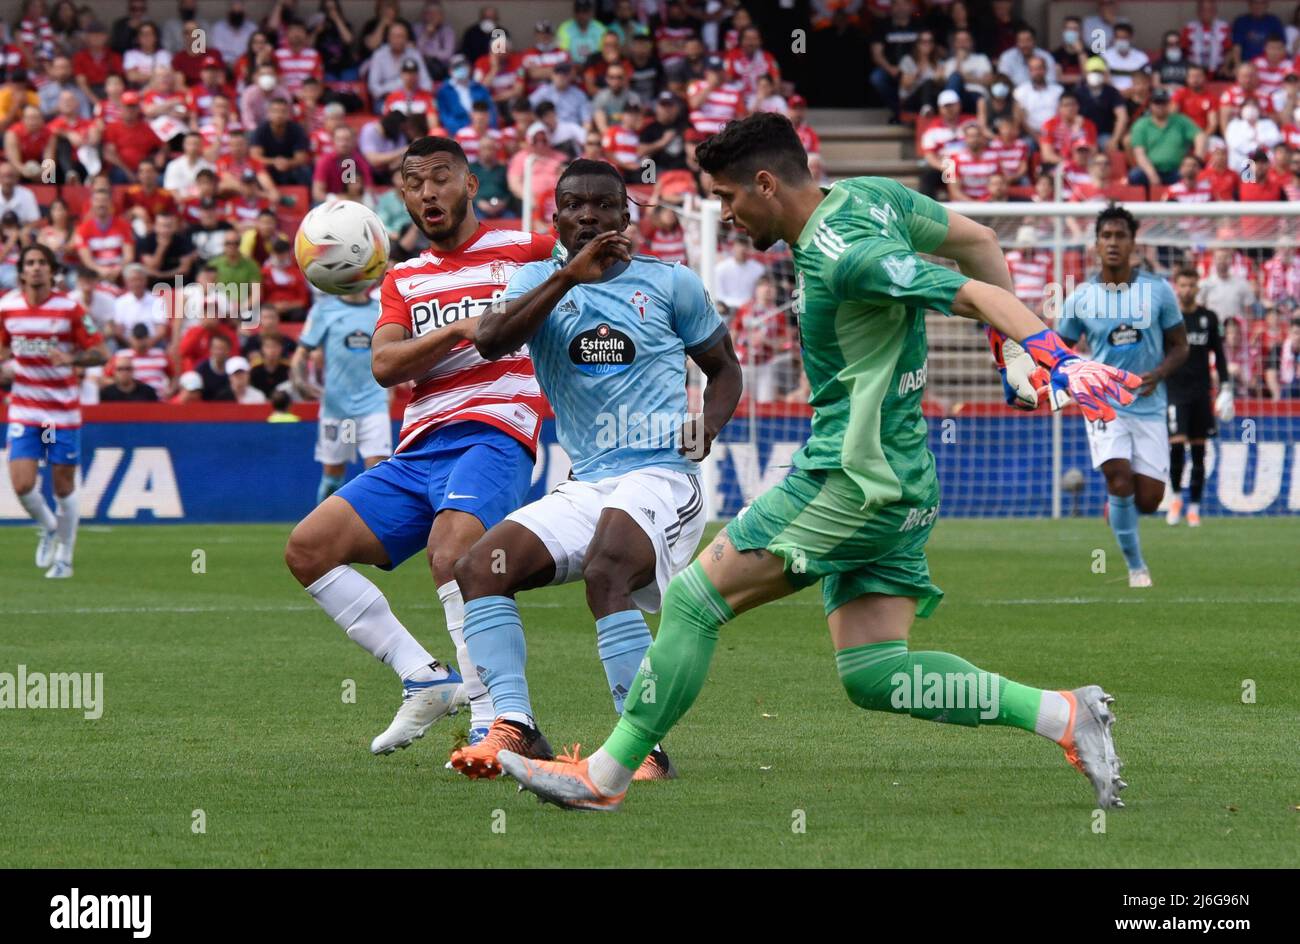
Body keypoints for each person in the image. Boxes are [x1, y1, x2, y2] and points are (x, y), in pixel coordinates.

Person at [496, 113, 1142, 813]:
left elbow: (974, 291)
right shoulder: (872, 195)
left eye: (727, 198)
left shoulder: (844, 256)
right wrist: (1013, 358)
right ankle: (1064, 716)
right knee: (875, 673)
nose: (726, 215)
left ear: (765, 183)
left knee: (692, 601)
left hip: (849, 478)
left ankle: (605, 776)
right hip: (904, 480)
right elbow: (980, 242)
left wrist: (1053, 355)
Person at [446, 158, 742, 781]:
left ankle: (641, 750)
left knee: (607, 567)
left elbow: (725, 369)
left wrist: (707, 427)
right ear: (555, 218)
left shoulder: (672, 284)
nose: (589, 215)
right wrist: (568, 278)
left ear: (625, 215)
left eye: (603, 205)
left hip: (663, 475)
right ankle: (517, 726)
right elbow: (494, 340)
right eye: (575, 205)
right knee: (478, 566)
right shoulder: (534, 280)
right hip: (588, 480)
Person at [282, 135, 556, 756]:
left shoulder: (529, 249)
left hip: (497, 429)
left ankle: (494, 721)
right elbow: (385, 363)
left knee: (453, 549)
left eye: (439, 177)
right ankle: (424, 678)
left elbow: (596, 279)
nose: (426, 192)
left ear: (471, 184)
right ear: (401, 196)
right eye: (413, 183)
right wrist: (461, 329)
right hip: (420, 446)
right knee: (307, 549)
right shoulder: (403, 278)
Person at [1058, 206, 1190, 587]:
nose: (1113, 243)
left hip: (1149, 406)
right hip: (1103, 405)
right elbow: (1059, 350)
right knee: (1118, 478)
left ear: (1134, 243)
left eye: (1121, 236)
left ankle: (1119, 506)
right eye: (1106, 236)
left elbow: (1181, 347)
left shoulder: (1159, 291)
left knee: (1147, 499)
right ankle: (1136, 568)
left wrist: (1160, 373)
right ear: (1096, 244)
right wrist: (1068, 378)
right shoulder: (1080, 298)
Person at [1, 243, 108, 579]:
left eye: (41, 263)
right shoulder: (7, 308)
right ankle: (49, 527)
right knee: (21, 485)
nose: (35, 268)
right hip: (25, 408)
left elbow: (101, 352)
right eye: (30, 263)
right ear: (21, 271)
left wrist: (72, 359)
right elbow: (3, 348)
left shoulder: (70, 309)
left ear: (51, 270)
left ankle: (65, 556)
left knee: (63, 488)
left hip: (62, 412)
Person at [291, 288, 391, 503]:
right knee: (333, 477)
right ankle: (321, 534)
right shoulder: (324, 310)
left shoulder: (381, 310)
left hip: (373, 404)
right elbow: (301, 353)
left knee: (379, 474)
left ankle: (374, 534)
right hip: (337, 408)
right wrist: (301, 382)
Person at [1166, 267, 1231, 528]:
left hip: (1201, 393)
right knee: (1177, 446)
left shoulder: (1209, 318)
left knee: (1200, 452)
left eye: (1192, 285)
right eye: (1183, 285)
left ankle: (1194, 508)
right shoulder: (1168, 319)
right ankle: (1176, 499)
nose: (1187, 290)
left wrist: (1226, 386)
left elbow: (1220, 354)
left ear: (1198, 287)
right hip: (1174, 391)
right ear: (1176, 287)